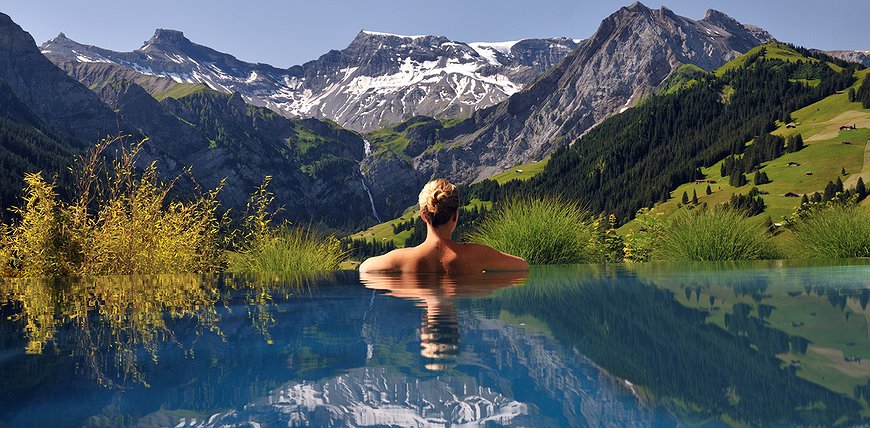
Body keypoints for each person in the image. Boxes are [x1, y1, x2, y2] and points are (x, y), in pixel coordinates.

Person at [359, 178, 528, 273]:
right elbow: (523, 266)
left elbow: (364, 268)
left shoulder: (401, 259)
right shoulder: (479, 255)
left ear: (424, 217)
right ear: (455, 215)